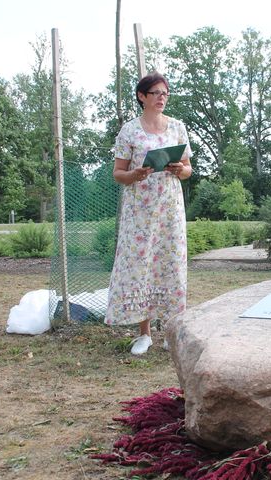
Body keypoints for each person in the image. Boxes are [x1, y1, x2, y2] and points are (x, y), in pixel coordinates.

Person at [105, 72, 193, 355]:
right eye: (156, 93)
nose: (161, 98)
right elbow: (118, 173)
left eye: (165, 93)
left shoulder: (177, 127)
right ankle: (144, 334)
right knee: (140, 267)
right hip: (140, 212)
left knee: (171, 264)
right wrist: (135, 174)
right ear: (142, 96)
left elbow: (188, 169)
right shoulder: (129, 130)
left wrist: (179, 169)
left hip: (169, 210)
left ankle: (170, 331)